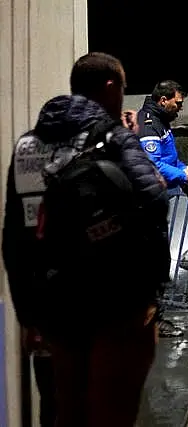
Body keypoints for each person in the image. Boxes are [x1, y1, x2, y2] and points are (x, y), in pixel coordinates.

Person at [2, 51, 170, 427]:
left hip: (54, 305)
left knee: (65, 410)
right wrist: (152, 291)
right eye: (123, 88)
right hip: (115, 304)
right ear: (111, 88)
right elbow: (155, 202)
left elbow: (14, 240)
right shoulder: (113, 138)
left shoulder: (27, 146)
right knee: (112, 411)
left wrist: (28, 316)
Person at [137, 80, 188, 337]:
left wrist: (182, 170)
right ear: (163, 100)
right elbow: (151, 164)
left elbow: (168, 159)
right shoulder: (149, 125)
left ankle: (153, 317)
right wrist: (182, 176)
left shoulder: (159, 123)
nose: (180, 109)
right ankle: (152, 320)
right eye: (178, 103)